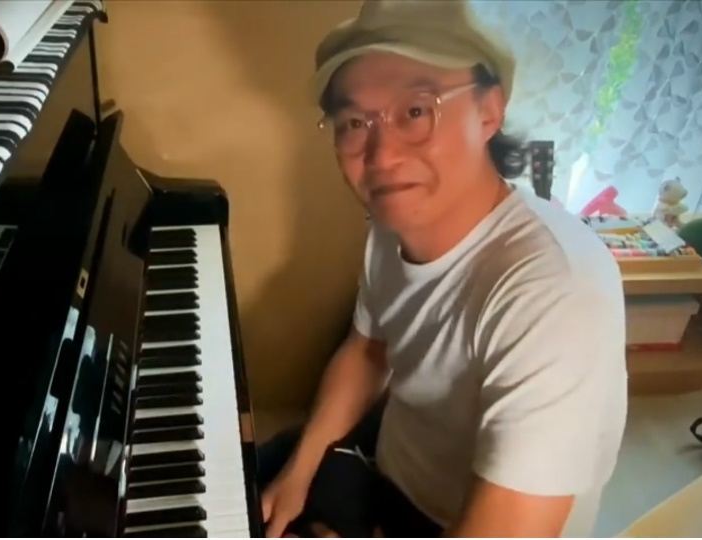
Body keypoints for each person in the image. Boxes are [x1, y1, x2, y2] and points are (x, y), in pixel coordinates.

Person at [257, 0, 629, 537]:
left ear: (489, 112)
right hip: (392, 475)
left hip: (449, 521)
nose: (381, 156)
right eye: (354, 122)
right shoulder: (394, 224)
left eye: (415, 111)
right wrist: (299, 473)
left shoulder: (557, 295)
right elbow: (369, 349)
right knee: (250, 474)